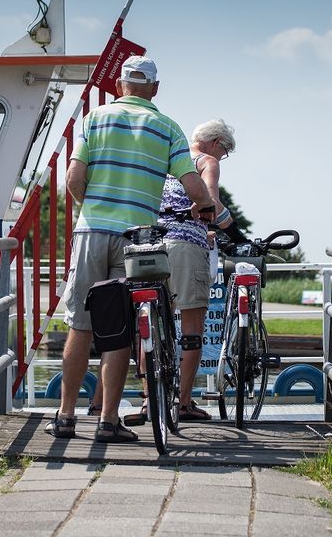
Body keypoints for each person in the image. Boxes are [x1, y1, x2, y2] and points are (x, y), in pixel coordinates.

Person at [46, 56, 214, 443]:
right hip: (136, 239)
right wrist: (203, 205)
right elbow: (192, 186)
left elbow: (74, 177)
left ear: (121, 85)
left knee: (80, 324)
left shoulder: (94, 119)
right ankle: (108, 421)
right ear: (154, 88)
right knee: (119, 326)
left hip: (90, 230)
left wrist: (92, 207)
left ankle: (66, 416)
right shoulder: (167, 128)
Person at [157, 119, 248, 422]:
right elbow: (210, 201)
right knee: (192, 327)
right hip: (185, 246)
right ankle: (183, 404)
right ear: (214, 142)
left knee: (155, 324)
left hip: (152, 245)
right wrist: (237, 236)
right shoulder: (205, 161)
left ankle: (151, 401)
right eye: (225, 150)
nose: (223, 157)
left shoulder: (166, 159)